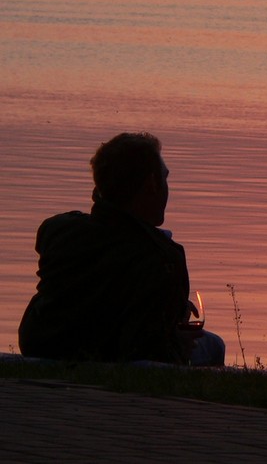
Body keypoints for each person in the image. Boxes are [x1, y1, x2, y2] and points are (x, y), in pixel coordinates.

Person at [18, 132, 225, 366]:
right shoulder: (161, 256)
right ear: (150, 186)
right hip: (108, 354)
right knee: (214, 346)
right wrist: (180, 345)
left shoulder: (58, 230)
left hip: (44, 345)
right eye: (164, 179)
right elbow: (149, 350)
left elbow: (98, 286)